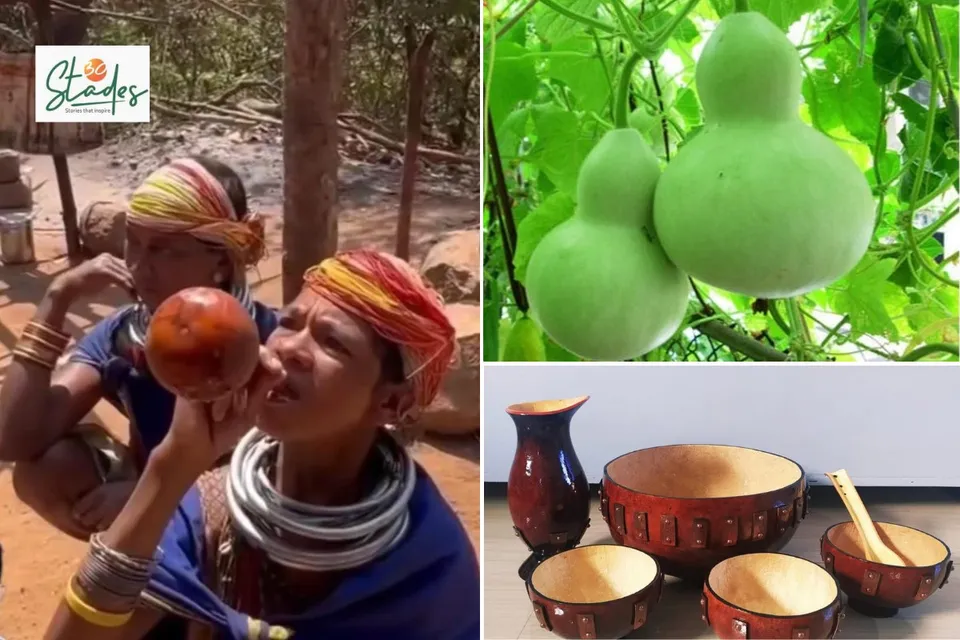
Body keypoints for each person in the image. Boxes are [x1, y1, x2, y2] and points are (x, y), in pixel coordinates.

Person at [41, 250, 480, 639]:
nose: (290, 348)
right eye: (288, 324)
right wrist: (171, 465)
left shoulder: (430, 564)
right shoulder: (210, 510)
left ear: (391, 402)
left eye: (333, 343)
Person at [0, 156, 274, 540]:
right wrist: (57, 298)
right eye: (133, 241)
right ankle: (143, 568)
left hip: (246, 516)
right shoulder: (127, 336)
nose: (139, 265)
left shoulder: (271, 345)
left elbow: (287, 477)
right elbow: (14, 439)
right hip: (155, 494)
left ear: (222, 262)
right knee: (45, 470)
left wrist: (152, 495)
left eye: (164, 250)